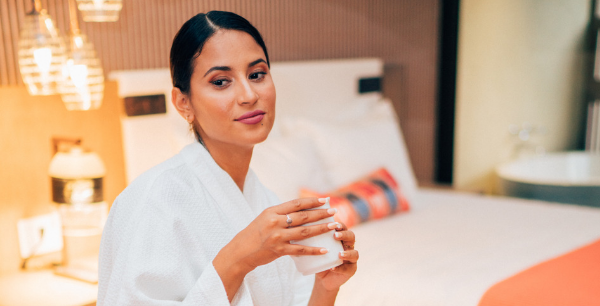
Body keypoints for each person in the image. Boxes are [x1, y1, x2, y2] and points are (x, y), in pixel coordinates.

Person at [98, 10, 358, 306]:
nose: (248, 95)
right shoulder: (152, 202)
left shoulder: (266, 201)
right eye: (221, 81)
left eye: (257, 75)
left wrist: (326, 289)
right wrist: (239, 257)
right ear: (184, 103)